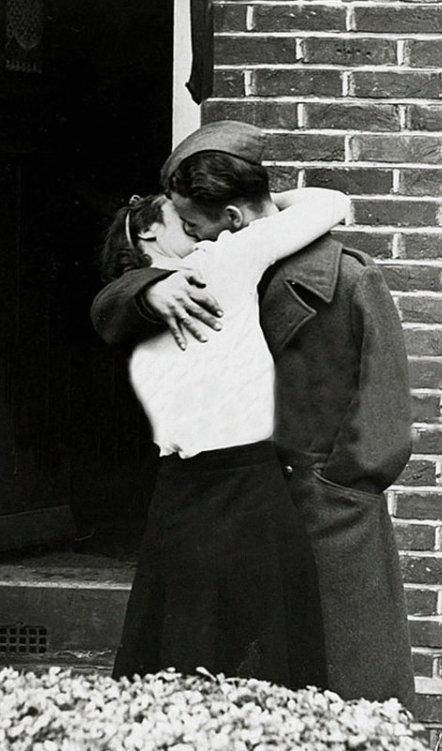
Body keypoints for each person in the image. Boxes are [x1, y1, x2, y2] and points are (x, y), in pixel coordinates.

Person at [92, 120, 416, 710]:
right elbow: (119, 287)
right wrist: (147, 289)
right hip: (243, 503)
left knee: (347, 696)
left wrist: (341, 487)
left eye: (191, 225)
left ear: (232, 220)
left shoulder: (343, 277)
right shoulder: (202, 270)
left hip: (326, 511)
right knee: (237, 691)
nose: (187, 237)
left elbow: (384, 413)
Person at [100, 176, 351, 689]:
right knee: (257, 653)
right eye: (186, 220)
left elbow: (109, 304)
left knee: (182, 649)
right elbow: (332, 202)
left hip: (199, 488)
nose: (206, 227)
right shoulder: (221, 262)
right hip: (232, 485)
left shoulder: (145, 298)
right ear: (148, 232)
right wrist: (257, 205)